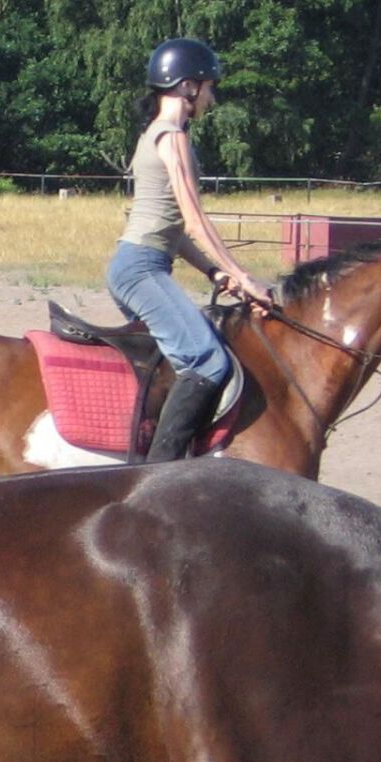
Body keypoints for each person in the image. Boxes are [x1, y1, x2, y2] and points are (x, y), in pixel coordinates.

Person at [107, 39, 274, 461]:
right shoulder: (173, 136)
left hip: (137, 264)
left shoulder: (155, 133)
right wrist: (243, 277)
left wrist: (214, 273)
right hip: (141, 269)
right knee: (207, 361)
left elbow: (175, 230)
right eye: (209, 88)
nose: (211, 99)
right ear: (187, 86)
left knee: (185, 356)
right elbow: (195, 220)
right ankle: (159, 473)